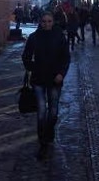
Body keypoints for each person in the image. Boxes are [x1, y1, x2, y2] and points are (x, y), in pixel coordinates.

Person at [22, 11, 71, 160]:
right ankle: (43, 141)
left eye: (49, 21)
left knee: (54, 111)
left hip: (55, 79)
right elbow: (26, 56)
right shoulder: (34, 37)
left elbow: (66, 58)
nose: (46, 24)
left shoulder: (59, 37)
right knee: (42, 110)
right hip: (38, 80)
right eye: (44, 21)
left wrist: (61, 74)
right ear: (40, 22)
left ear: (53, 22)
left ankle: (49, 132)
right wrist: (33, 67)